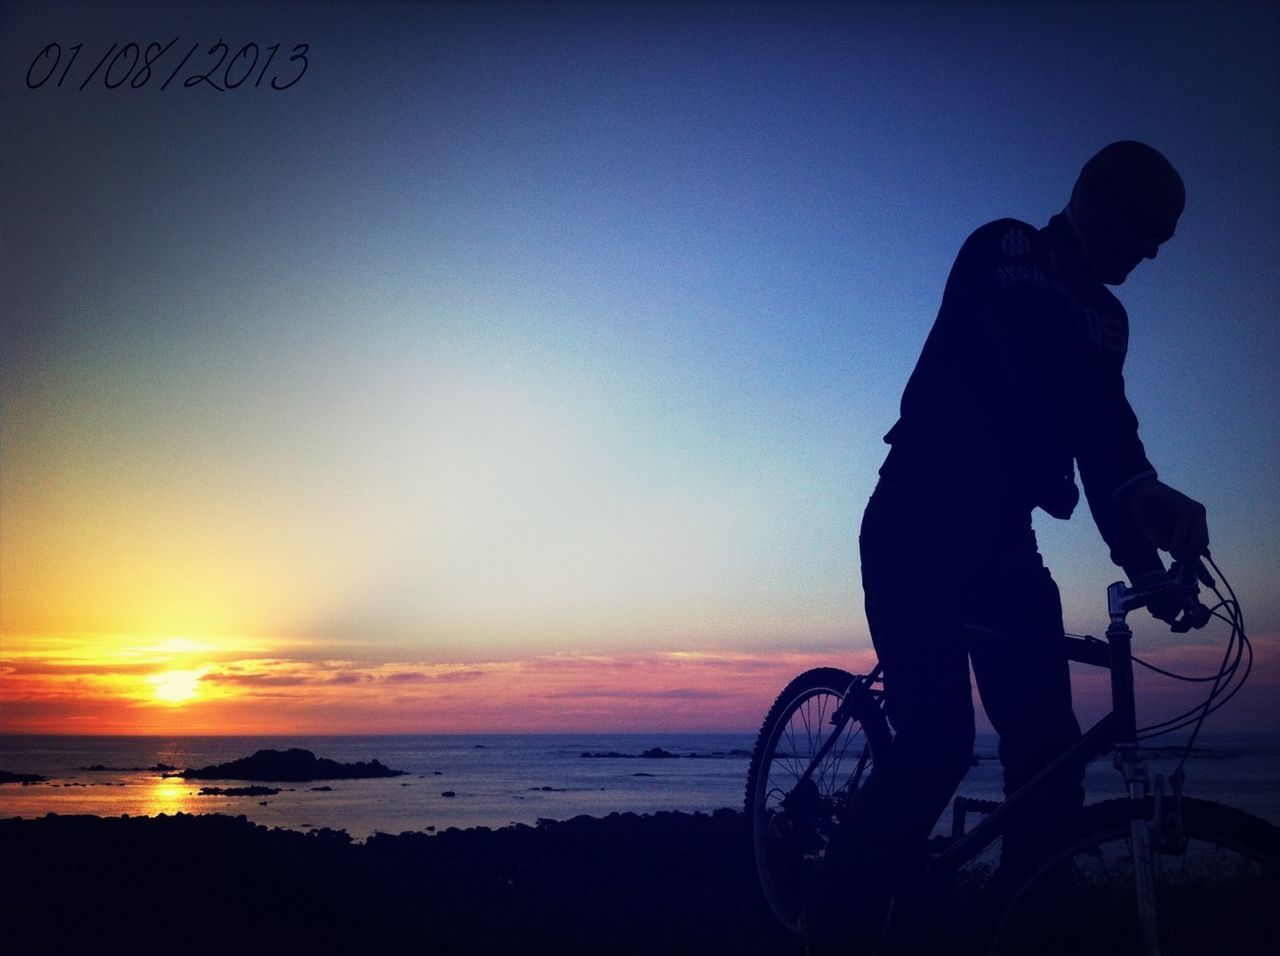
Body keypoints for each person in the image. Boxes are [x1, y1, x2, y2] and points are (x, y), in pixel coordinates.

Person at [800, 141, 1210, 953]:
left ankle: (1024, 928)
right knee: (939, 740)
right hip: (917, 517)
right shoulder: (1009, 247)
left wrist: (1145, 564)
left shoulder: (1111, 321)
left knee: (1051, 758)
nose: (1155, 246)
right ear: (1088, 195)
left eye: (1167, 234)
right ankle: (830, 927)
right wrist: (1112, 481)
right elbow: (1024, 366)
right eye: (1145, 222)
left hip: (1003, 543)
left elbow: (1109, 438)